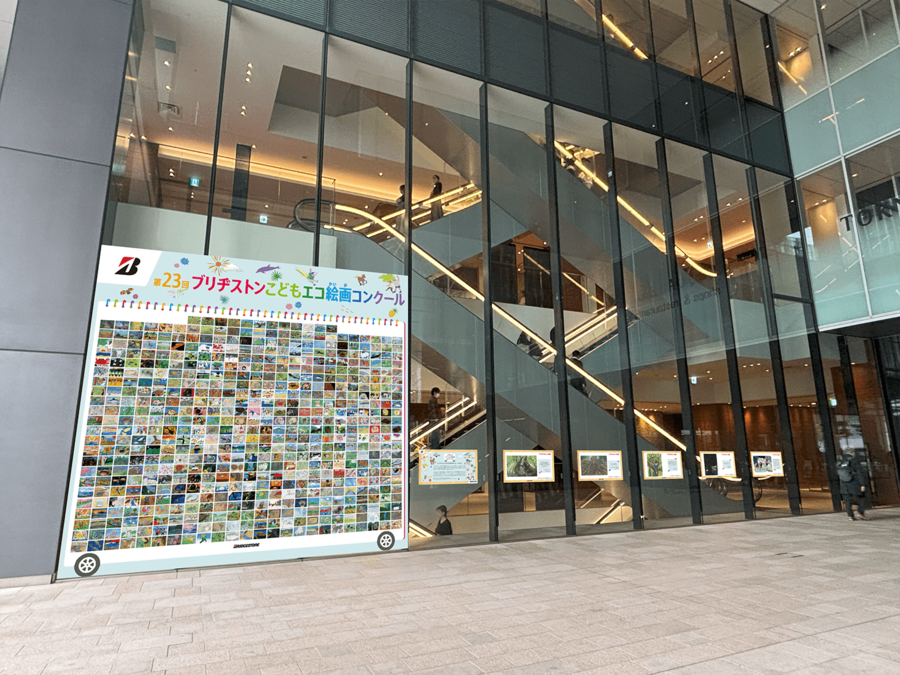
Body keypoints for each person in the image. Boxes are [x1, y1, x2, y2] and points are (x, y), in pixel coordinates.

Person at [837, 449, 871, 520]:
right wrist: (863, 484)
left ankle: (850, 516)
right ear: (852, 453)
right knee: (862, 498)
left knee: (847, 501)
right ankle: (860, 513)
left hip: (844, 485)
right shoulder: (854, 461)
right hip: (854, 484)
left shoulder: (840, 462)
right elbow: (859, 473)